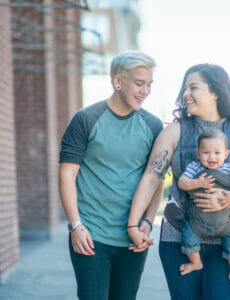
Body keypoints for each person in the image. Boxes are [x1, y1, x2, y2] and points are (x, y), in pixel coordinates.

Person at [127, 63, 230, 300]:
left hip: (228, 241)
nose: (185, 94)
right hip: (178, 239)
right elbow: (151, 177)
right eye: (185, 88)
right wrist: (133, 225)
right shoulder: (174, 132)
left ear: (216, 92)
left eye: (193, 87)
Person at [58, 50, 164, 300]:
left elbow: (156, 182)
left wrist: (148, 222)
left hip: (133, 239)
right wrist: (75, 225)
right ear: (117, 81)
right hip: (91, 236)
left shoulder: (153, 126)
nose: (145, 91)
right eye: (139, 83)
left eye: (149, 84)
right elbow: (66, 176)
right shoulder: (85, 119)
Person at [178, 128, 230, 291]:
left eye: (217, 153)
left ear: (226, 153)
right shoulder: (194, 167)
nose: (212, 157)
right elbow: (182, 182)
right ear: (198, 153)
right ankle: (195, 263)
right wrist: (196, 183)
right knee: (188, 238)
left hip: (226, 223)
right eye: (206, 152)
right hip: (198, 222)